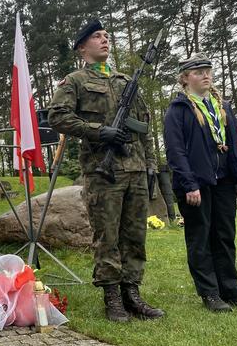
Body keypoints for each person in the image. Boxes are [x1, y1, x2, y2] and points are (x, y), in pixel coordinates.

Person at [48, 19, 164, 322]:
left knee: (135, 235)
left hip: (136, 169)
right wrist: (99, 132)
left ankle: (132, 294)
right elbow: (57, 117)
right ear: (82, 46)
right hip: (104, 172)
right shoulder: (74, 80)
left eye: (106, 36)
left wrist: (150, 165)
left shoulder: (127, 81)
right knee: (107, 236)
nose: (104, 40)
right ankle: (112, 296)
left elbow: (143, 127)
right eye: (97, 36)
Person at [163, 54, 237, 312]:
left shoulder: (223, 106)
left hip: (224, 181)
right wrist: (189, 184)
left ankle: (231, 290)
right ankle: (209, 293)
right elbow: (176, 152)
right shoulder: (178, 110)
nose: (206, 75)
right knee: (200, 237)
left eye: (208, 70)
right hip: (196, 184)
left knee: (225, 235)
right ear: (185, 78)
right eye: (198, 72)